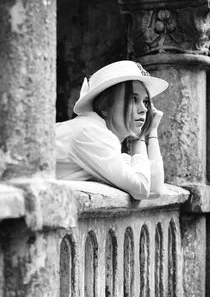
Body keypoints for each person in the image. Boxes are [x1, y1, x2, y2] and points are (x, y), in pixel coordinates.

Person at [56, 60, 168, 200]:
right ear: (105, 107)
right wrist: (139, 138)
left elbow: (155, 190)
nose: (144, 109)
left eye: (145, 102)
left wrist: (151, 132)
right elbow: (142, 188)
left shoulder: (103, 140)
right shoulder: (90, 132)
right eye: (133, 99)